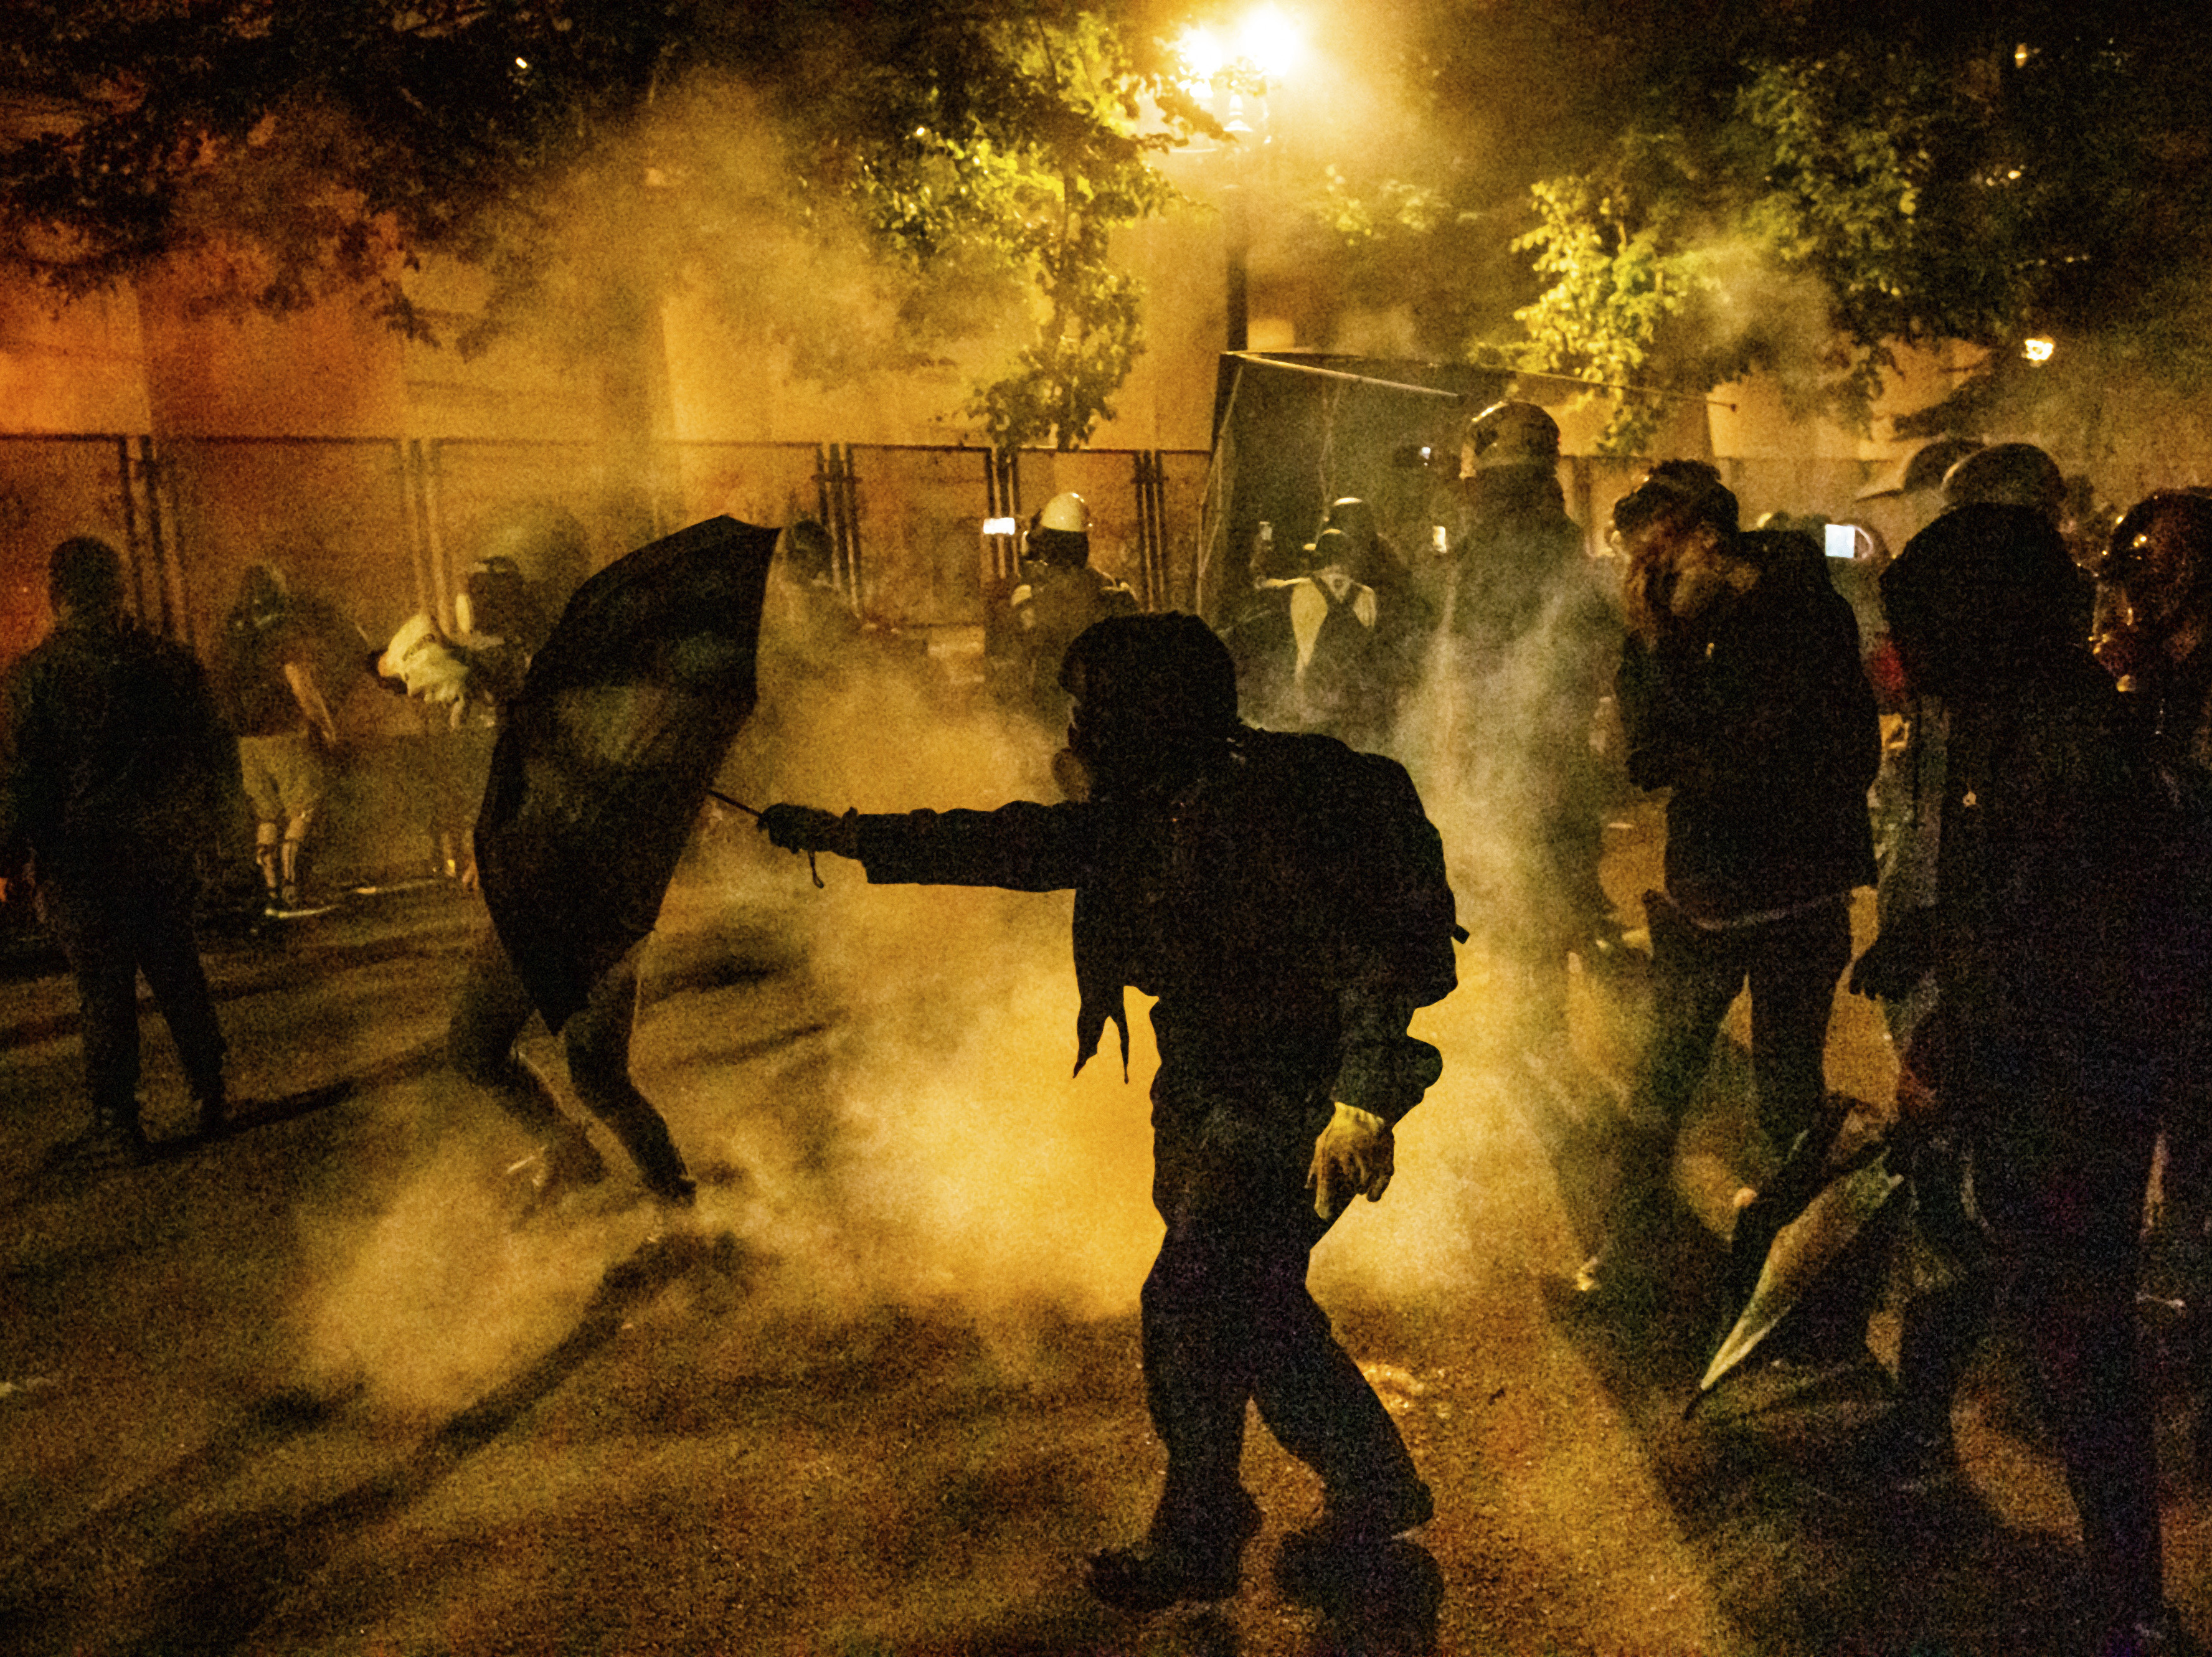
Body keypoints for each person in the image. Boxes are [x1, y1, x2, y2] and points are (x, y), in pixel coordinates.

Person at [757, 613, 1460, 1612]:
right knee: (1249, 1303)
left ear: (1146, 713)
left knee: (1194, 1297)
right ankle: (1367, 1483)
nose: (1077, 730)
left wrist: (1358, 1103)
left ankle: (1205, 1522)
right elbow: (1012, 842)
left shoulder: (1266, 812)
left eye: (1092, 708)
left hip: (1296, 1097)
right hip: (1208, 1088)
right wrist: (842, 833)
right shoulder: (1148, 805)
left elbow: (1369, 966)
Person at [1846, 491, 2193, 1657]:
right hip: (2041, 1076)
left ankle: (2131, 1600)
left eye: (1932, 626)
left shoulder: (2064, 745)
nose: (1915, 657)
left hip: (2077, 1091)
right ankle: (2117, 1583)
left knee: (2081, 1344)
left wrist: (1952, 1055)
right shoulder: (2018, 717)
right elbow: (1996, 902)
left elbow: (2066, 952)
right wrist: (1925, 938)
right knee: (2053, 1325)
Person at [1588, 461, 1880, 1307]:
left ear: (1708, 539)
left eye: (1662, 561)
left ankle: (1819, 1261)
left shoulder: (1799, 617)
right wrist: (1652, 650)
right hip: (1711, 894)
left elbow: (1773, 755)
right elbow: (1648, 755)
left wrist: (1681, 706)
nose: (1652, 582)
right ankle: (1632, 1249)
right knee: (1667, 1080)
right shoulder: (1686, 628)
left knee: (1778, 1086)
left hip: (1788, 892)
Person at [432, 548, 701, 1215]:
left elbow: (553, 781)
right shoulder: (616, 695)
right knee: (600, 1077)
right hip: (604, 906)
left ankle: (582, 1157)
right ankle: (673, 1195)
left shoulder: (549, 687)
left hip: (551, 900)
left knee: (478, 1048)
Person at [0, 537, 238, 1163]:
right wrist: (213, 833)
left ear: (57, 596)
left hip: (82, 860)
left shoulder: (35, 677)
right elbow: (215, 750)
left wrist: (9, 861)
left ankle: (117, 1122)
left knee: (104, 991)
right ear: (120, 589)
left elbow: (25, 778)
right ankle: (212, 1093)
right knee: (177, 969)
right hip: (162, 848)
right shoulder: (171, 662)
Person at [1432, 400, 1622, 1027]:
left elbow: (1464, 663)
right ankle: (1555, 1004)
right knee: (1549, 886)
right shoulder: (1563, 549)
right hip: (1556, 757)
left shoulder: (1486, 557)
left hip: (1518, 761)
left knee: (1522, 896)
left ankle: (1538, 1026)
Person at [213, 562, 344, 915]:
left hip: (247, 740)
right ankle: (293, 889)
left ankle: (271, 893)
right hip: (283, 732)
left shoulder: (235, 632)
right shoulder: (282, 631)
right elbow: (301, 684)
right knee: (305, 805)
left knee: (267, 816)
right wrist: (327, 725)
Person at [985, 491, 1140, 724]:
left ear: (1044, 542)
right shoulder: (1112, 590)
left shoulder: (1026, 594)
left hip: (1048, 705)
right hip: (1104, 707)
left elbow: (1009, 662)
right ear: (1083, 541)